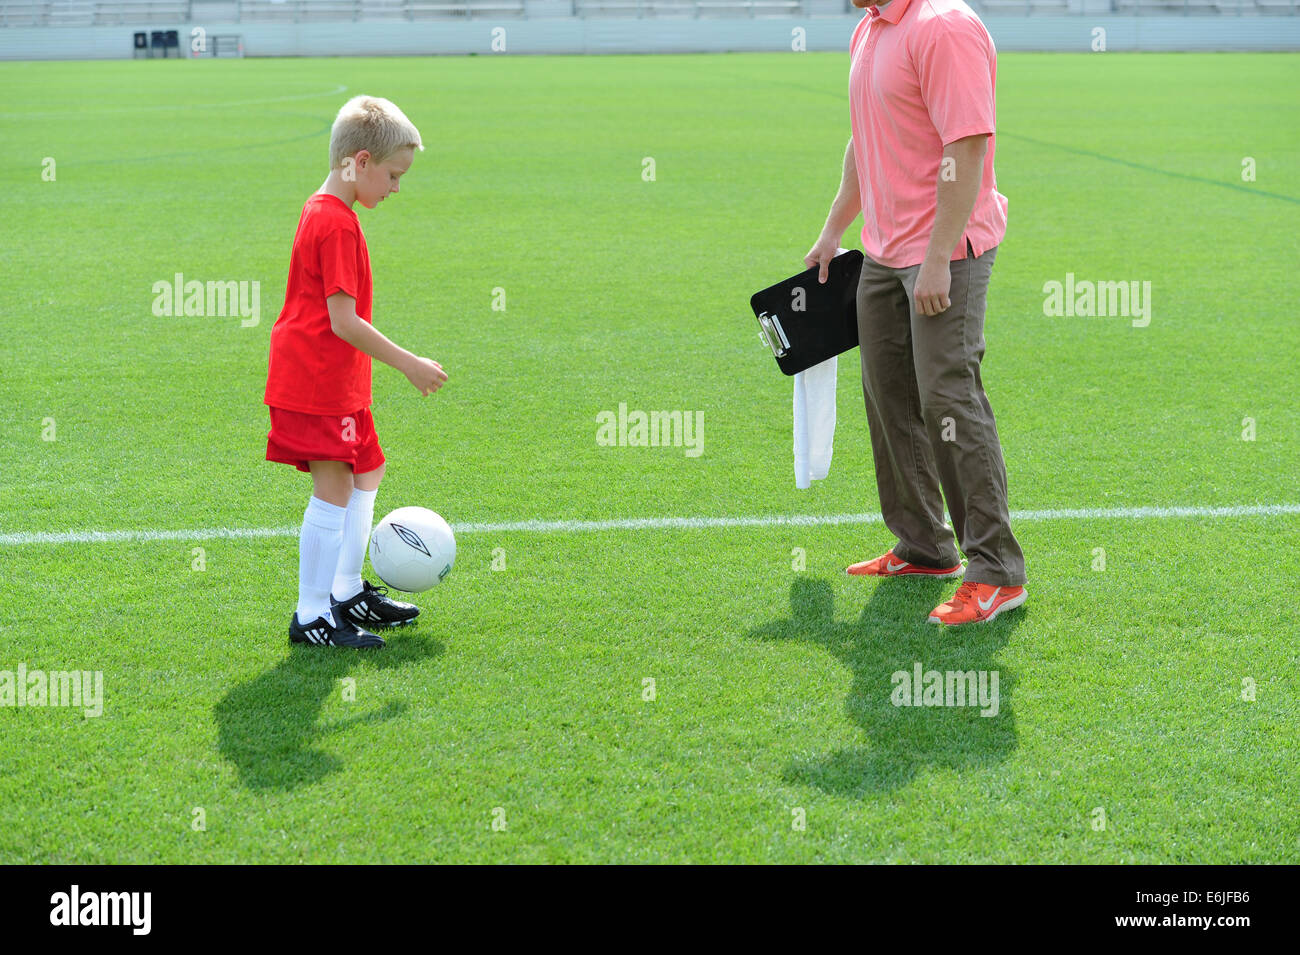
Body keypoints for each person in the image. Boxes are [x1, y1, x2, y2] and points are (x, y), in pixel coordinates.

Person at [804, 0, 1026, 626]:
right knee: (888, 394)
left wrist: (936, 258)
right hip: (882, 251)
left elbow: (967, 144)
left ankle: (997, 571)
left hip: (945, 251)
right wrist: (833, 229)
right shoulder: (871, 27)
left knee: (948, 397)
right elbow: (866, 139)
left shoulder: (945, 27)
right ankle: (926, 545)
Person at [264, 95, 448, 648]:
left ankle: (345, 592)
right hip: (315, 380)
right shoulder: (336, 224)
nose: (396, 188)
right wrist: (410, 365)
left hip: (337, 380)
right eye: (393, 176)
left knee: (367, 471)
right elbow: (343, 321)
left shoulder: (325, 206)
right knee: (334, 487)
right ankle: (312, 613)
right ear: (361, 162)